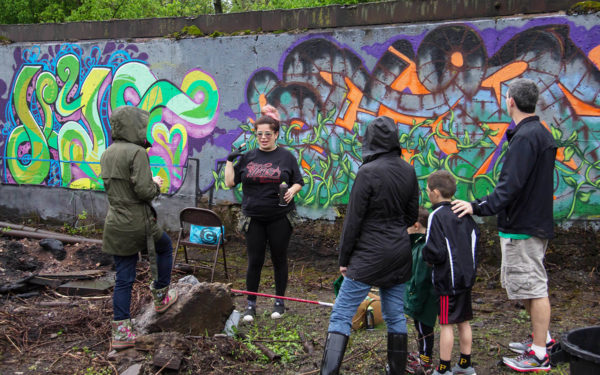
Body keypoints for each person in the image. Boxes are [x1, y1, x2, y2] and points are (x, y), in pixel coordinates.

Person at [452, 78, 557, 372]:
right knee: (525, 286)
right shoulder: (536, 133)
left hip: (523, 226)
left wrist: (475, 206)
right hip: (526, 223)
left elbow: (509, 187)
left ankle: (539, 354)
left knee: (534, 288)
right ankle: (542, 339)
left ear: (510, 101)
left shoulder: (526, 138)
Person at [319, 116, 419, 375]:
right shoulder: (408, 170)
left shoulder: (367, 172)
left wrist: (344, 258)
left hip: (369, 255)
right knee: (395, 315)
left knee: (341, 315)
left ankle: (328, 372)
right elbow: (411, 216)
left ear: (370, 140)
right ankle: (395, 371)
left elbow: (353, 220)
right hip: (399, 252)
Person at [101, 106, 178, 350]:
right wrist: (156, 184)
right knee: (165, 247)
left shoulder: (107, 152)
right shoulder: (137, 152)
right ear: (135, 126)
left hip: (115, 221)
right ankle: (161, 297)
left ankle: (121, 334)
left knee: (124, 278)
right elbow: (144, 191)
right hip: (138, 221)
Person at [224, 104, 304, 322]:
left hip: (280, 217)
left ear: (276, 134)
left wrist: (291, 192)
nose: (263, 138)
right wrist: (230, 161)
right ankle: (251, 305)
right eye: (259, 134)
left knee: (279, 259)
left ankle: (279, 302)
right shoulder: (248, 157)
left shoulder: (286, 157)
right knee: (255, 260)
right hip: (254, 218)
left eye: (268, 134)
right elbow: (230, 182)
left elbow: (299, 181)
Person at [422, 170, 479, 375]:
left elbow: (434, 250)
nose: (427, 193)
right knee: (463, 321)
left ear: (436, 193)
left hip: (447, 281)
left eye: (427, 190)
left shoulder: (436, 216)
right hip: (466, 279)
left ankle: (444, 368)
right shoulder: (464, 213)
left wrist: (425, 257)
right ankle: (465, 364)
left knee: (446, 324)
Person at [405, 207, 438, 375]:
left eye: (407, 226)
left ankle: (426, 362)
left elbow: (421, 280)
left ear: (416, 225)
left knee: (425, 331)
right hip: (422, 298)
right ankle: (422, 356)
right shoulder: (419, 244)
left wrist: (415, 302)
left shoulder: (423, 249)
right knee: (421, 328)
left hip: (425, 300)